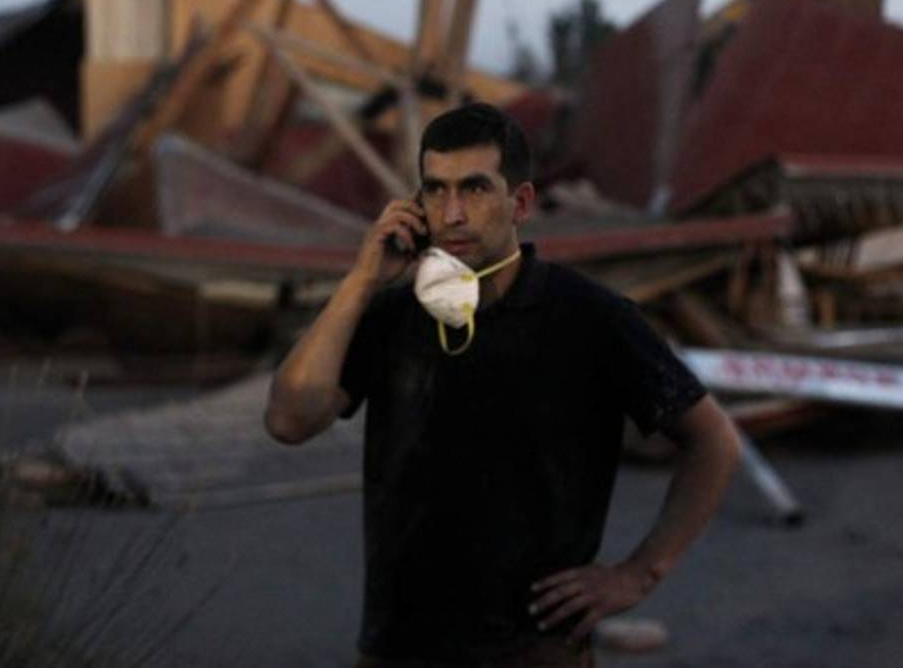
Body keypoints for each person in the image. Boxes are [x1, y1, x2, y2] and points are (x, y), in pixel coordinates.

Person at [265, 103, 741, 666]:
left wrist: (639, 574)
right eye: (435, 191)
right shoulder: (394, 316)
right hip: (398, 647)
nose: (453, 213)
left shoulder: (587, 316)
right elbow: (289, 420)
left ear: (520, 204)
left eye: (475, 190)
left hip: (535, 649)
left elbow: (713, 442)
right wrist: (362, 279)